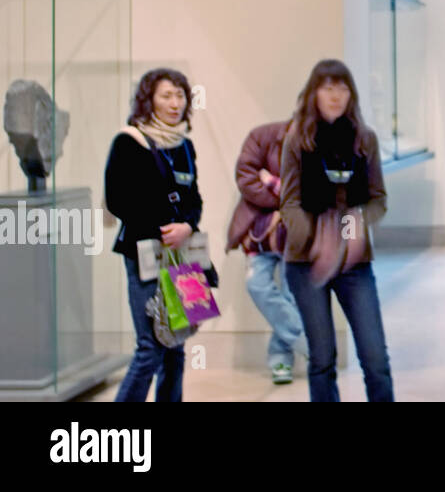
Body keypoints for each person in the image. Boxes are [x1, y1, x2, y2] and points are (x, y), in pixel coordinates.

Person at [280, 59, 393, 402]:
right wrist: (319, 242)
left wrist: (347, 229)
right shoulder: (297, 139)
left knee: (375, 357)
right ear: (314, 93)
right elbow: (288, 204)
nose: (335, 95)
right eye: (327, 87)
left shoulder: (365, 140)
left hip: (355, 264)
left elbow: (378, 200)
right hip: (305, 264)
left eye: (342, 87)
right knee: (323, 358)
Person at [104, 68, 201, 402]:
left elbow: (194, 200)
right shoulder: (129, 141)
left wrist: (187, 226)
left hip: (183, 255)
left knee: (176, 347)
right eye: (166, 95)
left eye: (180, 95)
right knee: (151, 348)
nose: (175, 103)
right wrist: (161, 230)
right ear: (149, 100)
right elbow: (117, 201)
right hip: (143, 253)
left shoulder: (185, 145)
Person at [225, 119, 308, 384]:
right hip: (258, 233)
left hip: (297, 234)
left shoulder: (319, 143)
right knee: (257, 286)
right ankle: (308, 343)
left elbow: (314, 191)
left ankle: (281, 359)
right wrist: (283, 199)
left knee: (290, 294)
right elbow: (247, 178)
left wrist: (272, 182)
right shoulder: (262, 136)